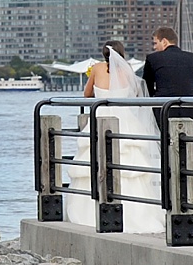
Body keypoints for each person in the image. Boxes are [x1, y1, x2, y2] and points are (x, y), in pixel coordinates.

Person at [63, 40, 165, 233]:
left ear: (104, 54)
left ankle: (90, 213)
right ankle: (136, 213)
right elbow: (135, 94)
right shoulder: (128, 72)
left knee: (94, 163)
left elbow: (87, 94)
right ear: (122, 54)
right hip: (125, 119)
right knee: (131, 167)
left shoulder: (97, 68)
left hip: (101, 116)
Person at [141, 26, 193, 136]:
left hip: (163, 113)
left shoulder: (153, 59)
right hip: (192, 112)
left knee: (164, 150)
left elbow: (146, 88)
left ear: (164, 41)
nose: (154, 47)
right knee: (190, 149)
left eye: (155, 43)